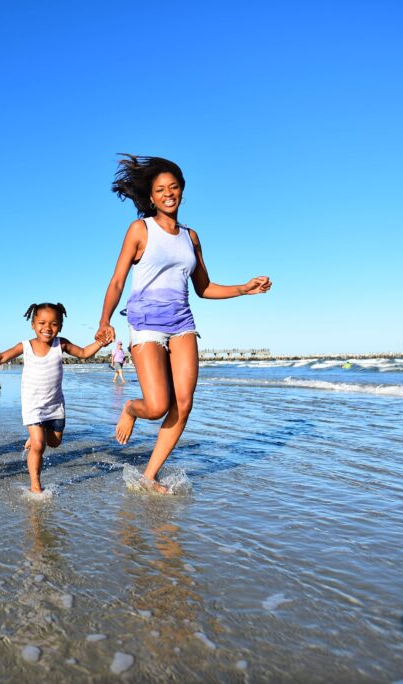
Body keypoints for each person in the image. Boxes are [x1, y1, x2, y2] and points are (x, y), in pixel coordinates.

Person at [96, 155, 271, 493]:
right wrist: (104, 320)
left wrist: (244, 289)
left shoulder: (191, 237)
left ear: (182, 191)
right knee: (158, 404)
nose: (168, 193)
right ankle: (132, 408)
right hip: (146, 321)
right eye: (160, 189)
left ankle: (149, 474)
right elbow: (117, 281)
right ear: (150, 197)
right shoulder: (139, 230)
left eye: (173, 187)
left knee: (184, 403)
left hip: (182, 321)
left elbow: (204, 288)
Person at [0, 303, 106, 493]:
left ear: (60, 326)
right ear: (33, 324)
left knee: (54, 443)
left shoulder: (60, 344)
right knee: (39, 445)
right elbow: (3, 356)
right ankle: (35, 486)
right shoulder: (26, 346)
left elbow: (84, 354)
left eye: (53, 324)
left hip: (54, 405)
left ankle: (36, 437)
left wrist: (101, 343)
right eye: (42, 323)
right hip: (33, 405)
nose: (47, 328)